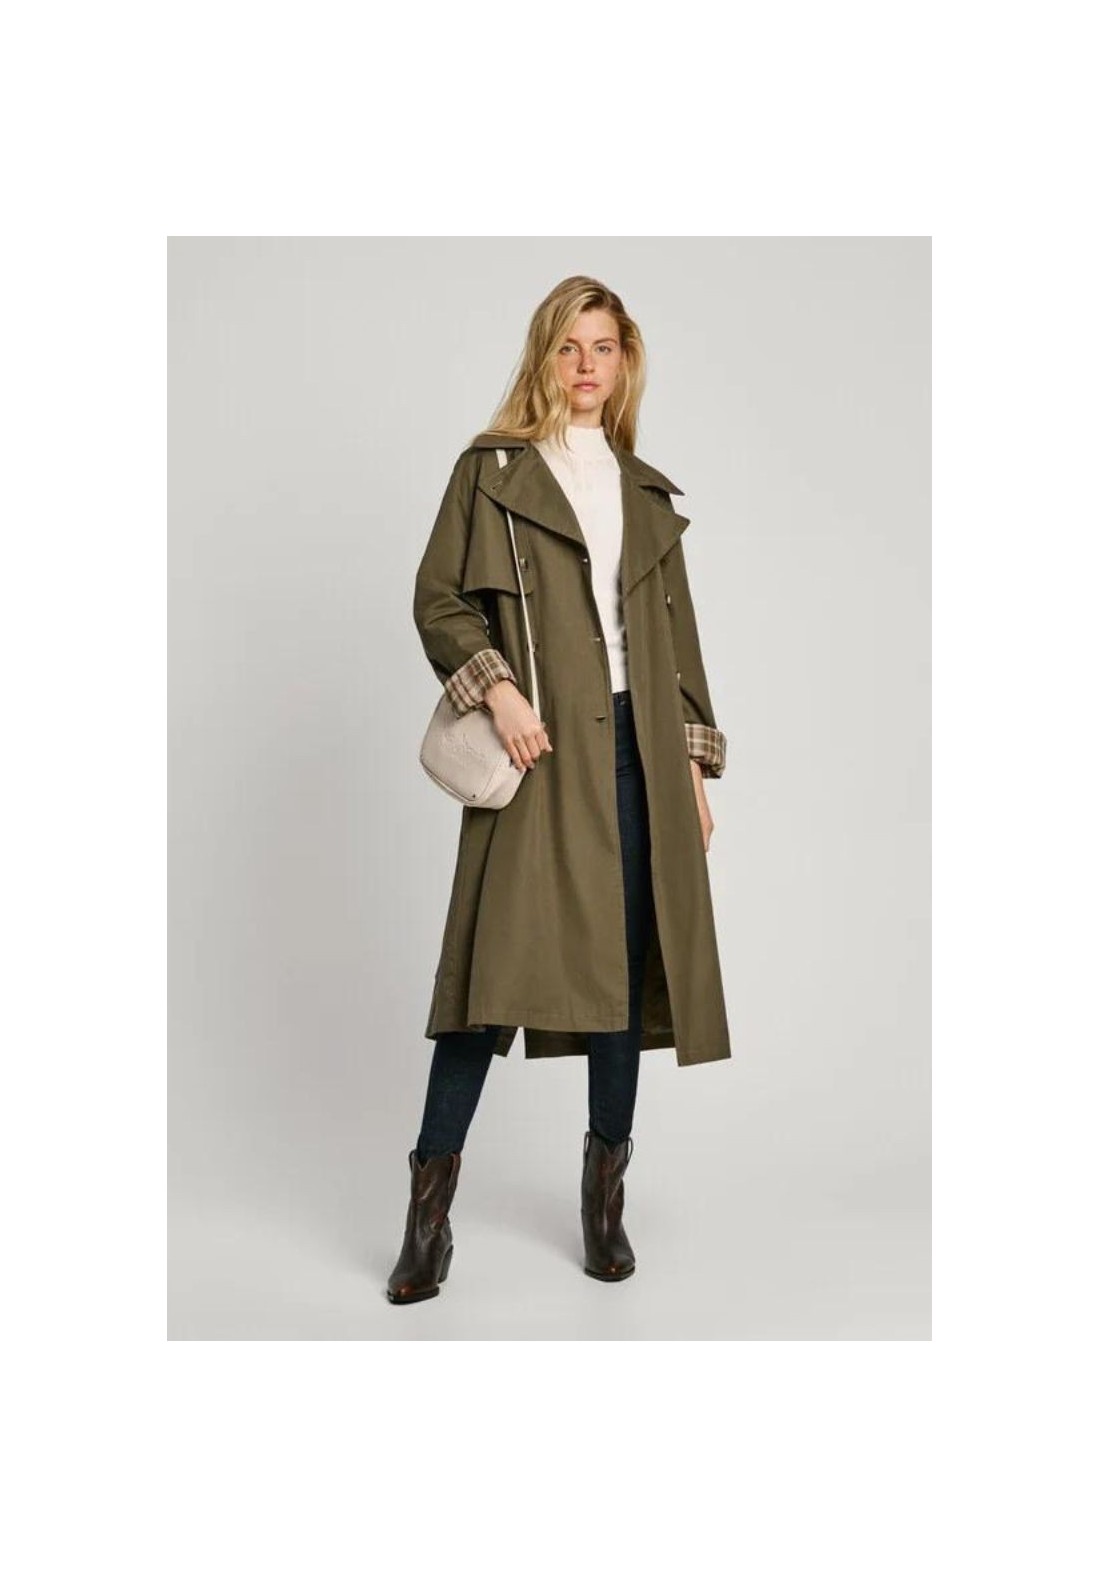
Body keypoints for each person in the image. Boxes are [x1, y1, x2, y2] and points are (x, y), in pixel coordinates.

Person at [387, 275, 730, 1304]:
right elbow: (437, 598)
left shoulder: (644, 493)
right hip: (536, 751)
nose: (586, 366)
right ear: (545, 356)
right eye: (570, 346)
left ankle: (604, 1201)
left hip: (635, 751)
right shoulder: (491, 472)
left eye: (604, 348)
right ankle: (426, 1220)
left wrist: (689, 770)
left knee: (620, 976)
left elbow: (672, 647)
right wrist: (499, 693)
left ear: (624, 364)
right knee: (486, 986)